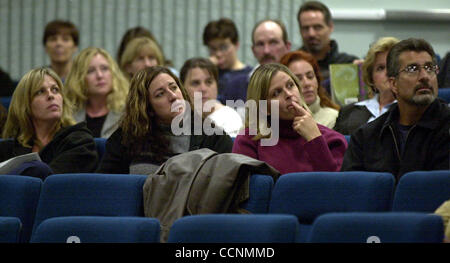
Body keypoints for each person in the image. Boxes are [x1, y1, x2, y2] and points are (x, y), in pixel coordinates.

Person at [341, 38, 450, 180]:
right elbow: (353, 192)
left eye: (430, 68)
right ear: (393, 84)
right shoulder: (366, 137)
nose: (424, 77)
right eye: (412, 69)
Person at [96, 66, 233, 175]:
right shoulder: (125, 139)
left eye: (174, 87)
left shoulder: (213, 136)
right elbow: (107, 188)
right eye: (160, 94)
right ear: (147, 107)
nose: (173, 96)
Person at [232, 63, 347, 174]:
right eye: (276, 93)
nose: (288, 94)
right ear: (263, 108)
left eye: (290, 85)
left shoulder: (332, 139)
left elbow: (335, 188)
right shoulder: (249, 140)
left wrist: (314, 139)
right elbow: (247, 190)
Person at [0, 67, 98, 177]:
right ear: (25, 104)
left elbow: (50, 181)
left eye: (55, 89)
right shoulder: (10, 147)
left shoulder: (80, 141)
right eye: (40, 92)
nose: (51, 95)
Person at [334, 37, 400, 135]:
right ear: (371, 77)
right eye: (380, 68)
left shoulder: (414, 110)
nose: (388, 72)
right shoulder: (348, 112)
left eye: (392, 65)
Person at [65, 47, 129, 138]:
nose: (99, 75)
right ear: (79, 78)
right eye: (91, 71)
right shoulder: (69, 114)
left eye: (104, 68)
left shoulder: (127, 112)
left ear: (113, 73)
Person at [297, 1, 359, 92]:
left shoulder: (349, 64)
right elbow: (274, 104)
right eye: (306, 28)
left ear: (330, 27)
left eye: (317, 27)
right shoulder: (290, 67)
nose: (311, 34)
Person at [180, 57, 243, 137]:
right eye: (195, 83)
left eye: (209, 82)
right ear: (182, 88)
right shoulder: (176, 117)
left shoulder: (230, 118)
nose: (203, 89)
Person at [280, 50, 340, 128]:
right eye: (298, 79)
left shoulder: (336, 118)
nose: (307, 83)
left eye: (310, 76)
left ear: (317, 80)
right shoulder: (276, 121)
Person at [202, 18, 253, 104]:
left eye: (223, 47)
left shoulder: (249, 75)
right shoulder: (209, 73)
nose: (218, 54)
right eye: (213, 49)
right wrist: (205, 70)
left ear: (236, 45)